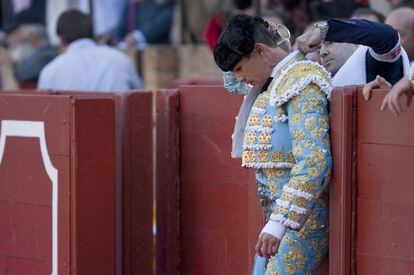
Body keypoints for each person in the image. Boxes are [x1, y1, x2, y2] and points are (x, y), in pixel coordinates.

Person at [214, 14, 332, 274]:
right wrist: (272, 37)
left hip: (304, 222)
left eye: (239, 68)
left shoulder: (301, 81)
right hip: (280, 221)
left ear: (258, 51)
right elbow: (232, 81)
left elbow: (314, 161)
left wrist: (278, 224)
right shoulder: (272, 81)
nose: (238, 77)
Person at [38, 10, 142, 92]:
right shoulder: (121, 60)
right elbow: (140, 98)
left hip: (74, 119)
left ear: (61, 41)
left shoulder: (50, 72)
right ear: (93, 35)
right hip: (116, 118)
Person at [296, 18, 411, 88]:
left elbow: (389, 36)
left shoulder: (375, 61)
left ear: (356, 42)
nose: (322, 53)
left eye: (329, 42)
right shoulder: (321, 84)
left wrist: (327, 29)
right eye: (318, 48)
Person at [0, 8, 57, 90]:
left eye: (15, 33)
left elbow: (19, 75)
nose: (10, 39)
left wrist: (5, 65)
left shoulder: (46, 56)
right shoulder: (32, 57)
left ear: (32, 36)